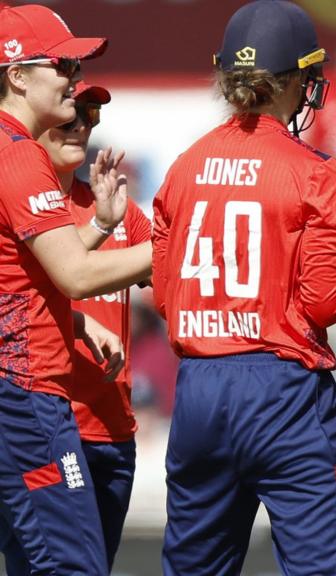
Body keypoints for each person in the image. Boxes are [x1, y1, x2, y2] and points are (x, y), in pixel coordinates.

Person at [150, 2, 336, 574]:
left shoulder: (183, 166)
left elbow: (168, 296)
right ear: (295, 80)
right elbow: (325, 301)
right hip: (283, 392)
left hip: (199, 388)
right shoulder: (314, 170)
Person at [0, 4, 152, 573]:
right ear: (16, 74)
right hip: (27, 395)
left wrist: (79, 320)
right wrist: (186, 243)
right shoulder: (18, 158)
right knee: (74, 568)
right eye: (63, 64)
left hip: (32, 396)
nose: (73, 77)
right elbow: (77, 277)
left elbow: (36, 275)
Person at [36, 82, 152, 571]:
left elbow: (177, 291)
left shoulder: (123, 213)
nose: (82, 125)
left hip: (113, 431)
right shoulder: (25, 209)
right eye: (70, 116)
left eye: (90, 115)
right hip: (45, 427)